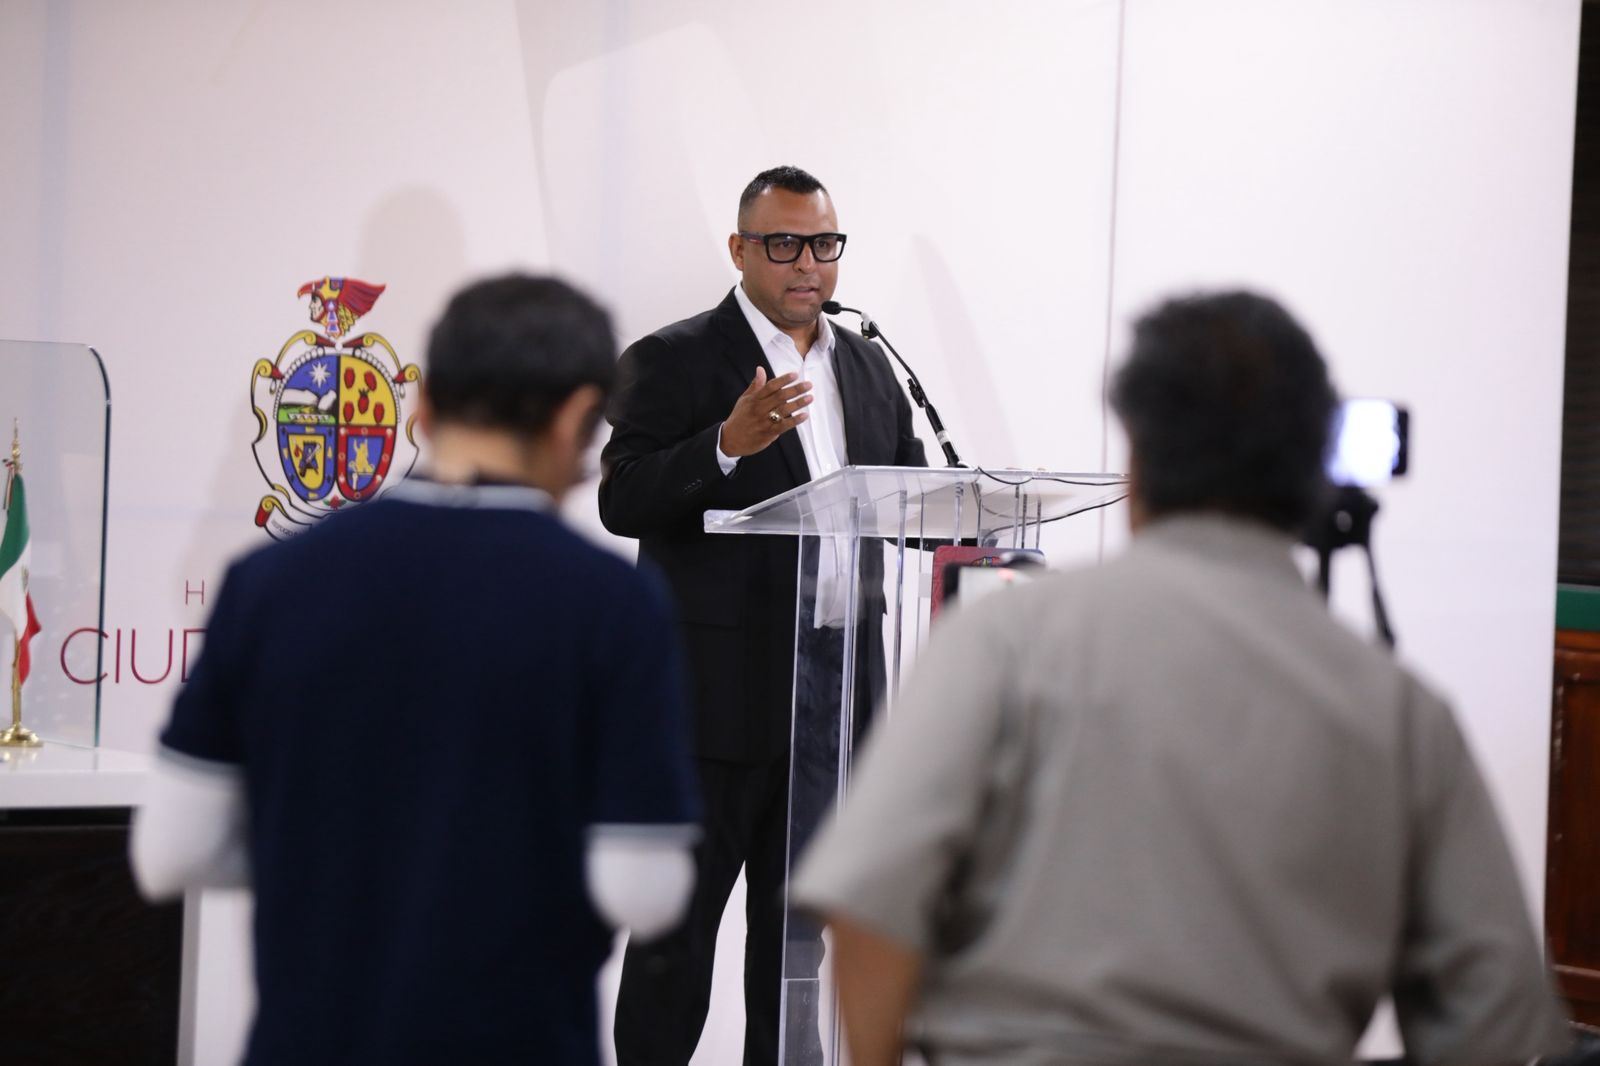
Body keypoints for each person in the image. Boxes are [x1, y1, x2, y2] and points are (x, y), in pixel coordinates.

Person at [794, 291, 1572, 1066]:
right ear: (1312, 467)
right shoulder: (1400, 712)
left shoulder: (1005, 641)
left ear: (1137, 458)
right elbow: (1499, 1013)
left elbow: (870, 902)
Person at [131, 274, 700, 1066]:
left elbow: (172, 853)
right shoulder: (614, 605)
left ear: (423, 407)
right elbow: (645, 889)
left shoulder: (268, 582)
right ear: (579, 415)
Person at [599, 165, 927, 1066]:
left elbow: (905, 491)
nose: (807, 263)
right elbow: (622, 499)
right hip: (713, 711)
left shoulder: (867, 364)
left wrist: (966, 515)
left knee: (796, 951)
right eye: (784, 244)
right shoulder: (673, 358)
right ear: (740, 250)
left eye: (823, 244)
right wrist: (724, 445)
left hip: (833, 706)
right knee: (674, 948)